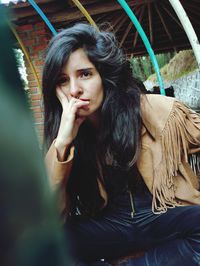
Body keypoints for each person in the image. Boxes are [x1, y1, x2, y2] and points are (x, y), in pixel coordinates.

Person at [43, 23, 200, 266]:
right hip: (112, 224)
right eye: (63, 80)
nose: (74, 90)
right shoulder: (64, 136)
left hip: (160, 215)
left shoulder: (155, 110)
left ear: (103, 76)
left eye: (85, 74)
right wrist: (63, 143)